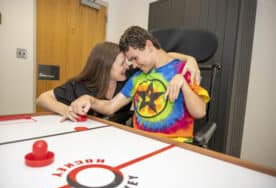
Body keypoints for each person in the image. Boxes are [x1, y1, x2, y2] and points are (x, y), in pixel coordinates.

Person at [70, 26, 209, 142]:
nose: (134, 65)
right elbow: (111, 106)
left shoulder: (183, 70)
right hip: (139, 142)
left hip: (174, 145)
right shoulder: (137, 77)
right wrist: (90, 99)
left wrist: (184, 84)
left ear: (148, 46)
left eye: (135, 58)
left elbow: (200, 112)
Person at [37, 41, 201, 124]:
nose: (128, 66)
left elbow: (163, 56)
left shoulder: (131, 75)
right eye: (122, 63)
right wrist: (66, 110)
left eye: (129, 61)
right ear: (105, 66)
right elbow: (42, 98)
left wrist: (190, 59)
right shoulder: (81, 85)